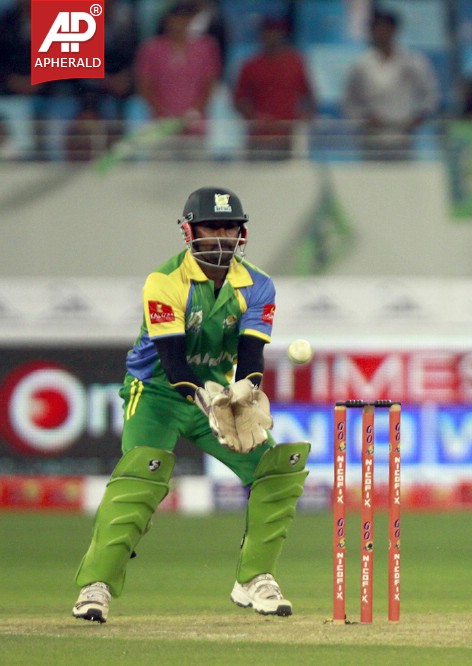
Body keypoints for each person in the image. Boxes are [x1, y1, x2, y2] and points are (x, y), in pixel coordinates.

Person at [72, 186, 310, 623]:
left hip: (218, 394)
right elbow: (174, 361)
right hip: (157, 393)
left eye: (229, 228)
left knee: (277, 468)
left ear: (242, 233)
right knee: (141, 476)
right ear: (189, 231)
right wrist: (208, 401)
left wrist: (245, 391)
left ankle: (254, 579)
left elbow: (252, 354)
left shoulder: (258, 285)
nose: (220, 237)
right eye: (211, 227)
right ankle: (96, 586)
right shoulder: (164, 282)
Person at [342, 8, 439, 160]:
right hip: (372, 138)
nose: (381, 33)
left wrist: (418, 117)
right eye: (377, 28)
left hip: (403, 137)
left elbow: (430, 93)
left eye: (385, 28)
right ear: (371, 31)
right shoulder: (361, 65)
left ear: (394, 30)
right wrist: (364, 119)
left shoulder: (413, 61)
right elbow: (349, 101)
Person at [134, 1, 222, 154]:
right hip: (160, 126)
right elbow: (145, 86)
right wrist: (164, 117)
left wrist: (193, 114)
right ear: (167, 20)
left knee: (196, 174)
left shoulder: (206, 47)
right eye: (176, 18)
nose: (180, 23)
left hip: (195, 126)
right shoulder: (151, 48)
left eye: (185, 18)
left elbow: (209, 84)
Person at [233, 16, 316, 159]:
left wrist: (303, 120)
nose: (272, 36)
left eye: (276, 32)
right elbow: (239, 99)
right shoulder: (250, 65)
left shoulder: (295, 63)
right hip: (258, 135)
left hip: (288, 134)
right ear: (261, 34)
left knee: (289, 177)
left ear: (283, 34)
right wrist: (255, 118)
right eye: (268, 32)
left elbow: (310, 96)